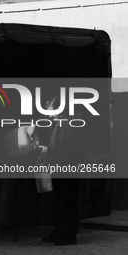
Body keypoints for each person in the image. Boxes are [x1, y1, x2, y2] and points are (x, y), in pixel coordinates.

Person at [38, 96, 85, 246]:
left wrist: (48, 150)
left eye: (51, 111)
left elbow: (70, 147)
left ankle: (70, 235)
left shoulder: (73, 123)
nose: (49, 115)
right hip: (58, 167)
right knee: (58, 202)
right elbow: (55, 143)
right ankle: (59, 231)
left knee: (67, 202)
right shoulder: (58, 123)